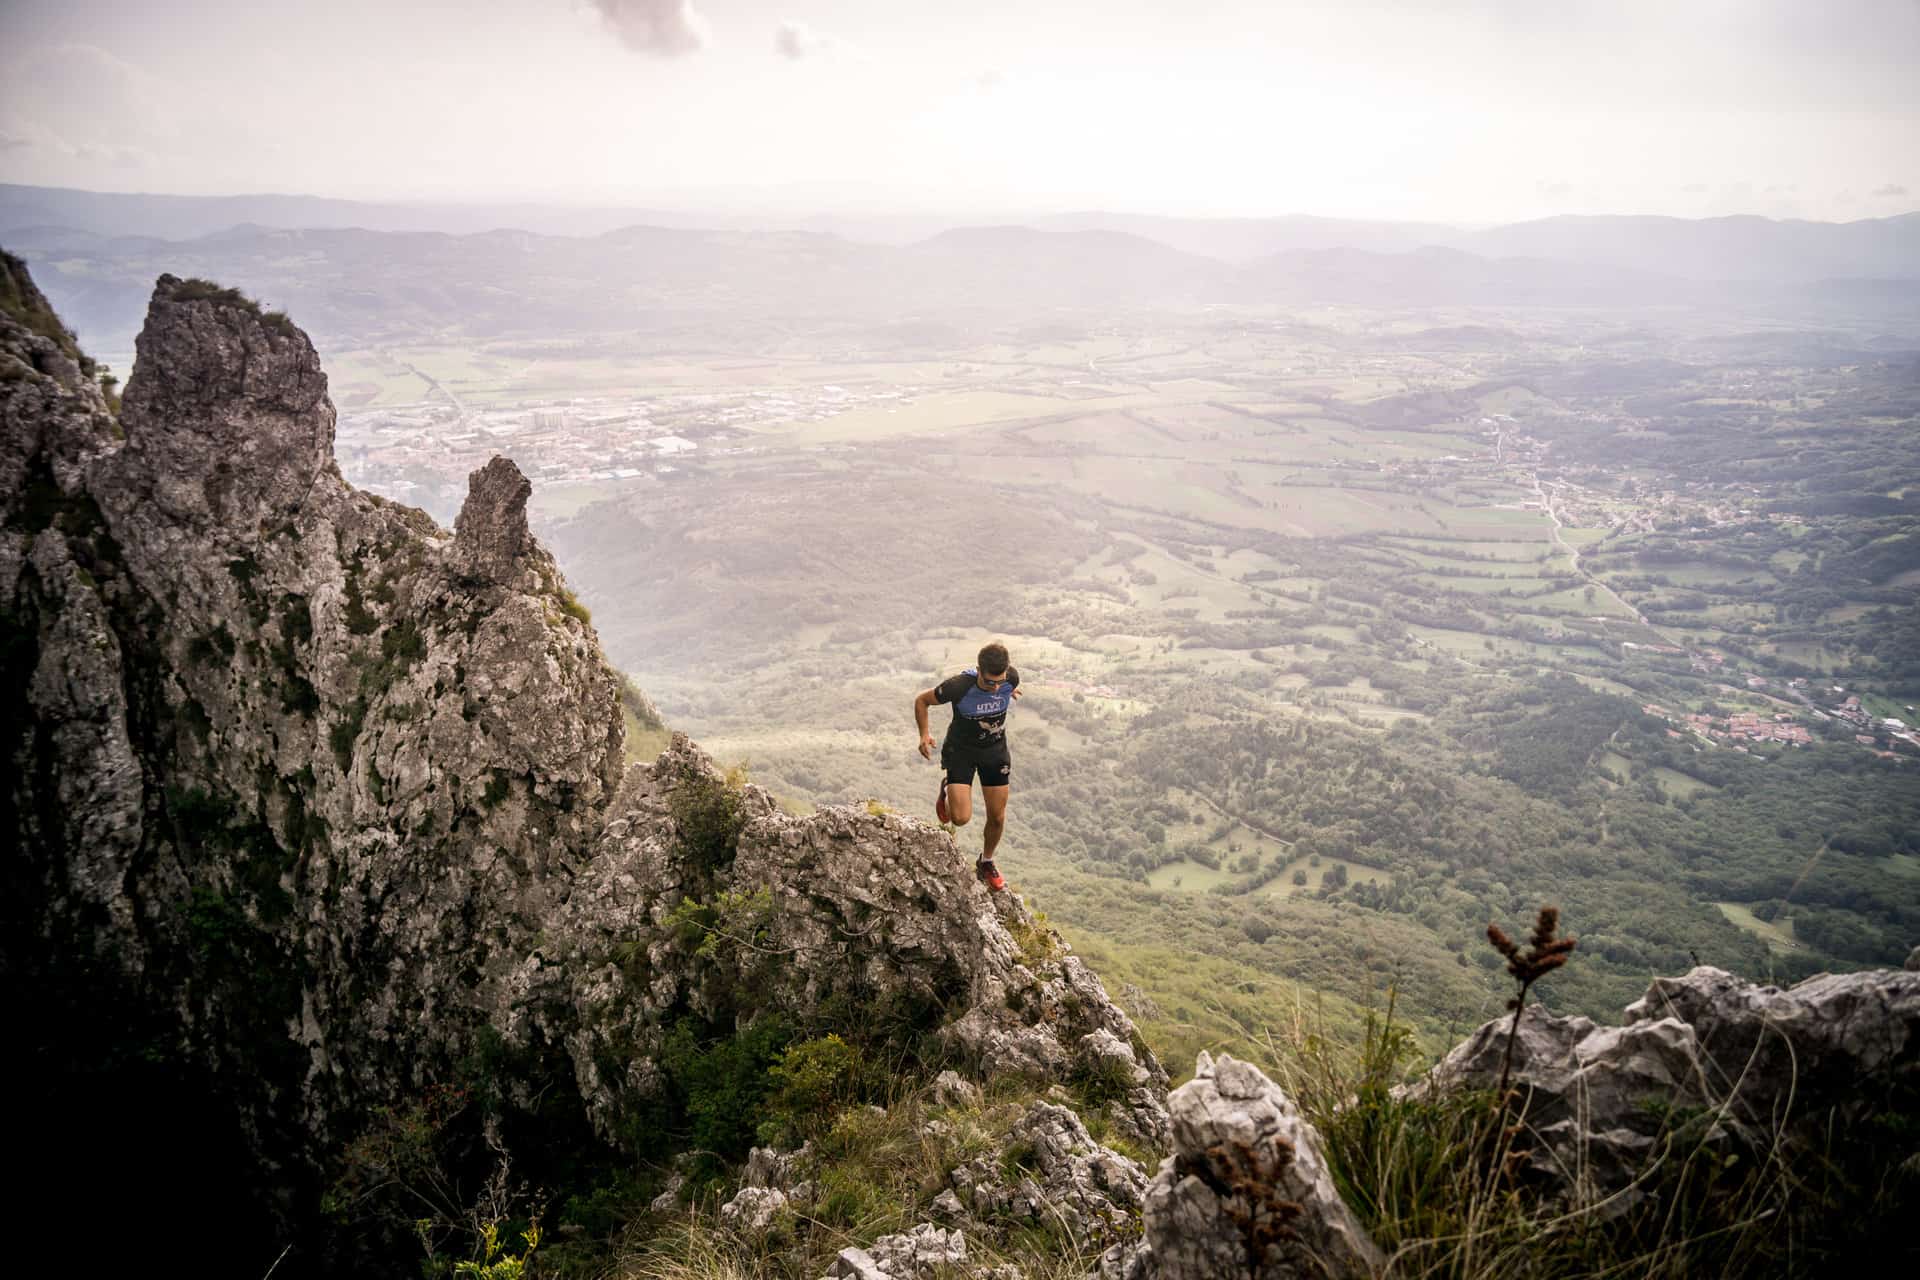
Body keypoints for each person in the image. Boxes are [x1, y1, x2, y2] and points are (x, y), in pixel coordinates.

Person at [914, 642, 1021, 890]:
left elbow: (1008, 684)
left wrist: (1008, 691)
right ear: (978, 671)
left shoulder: (1010, 679)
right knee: (960, 818)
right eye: (989, 683)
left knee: (997, 816)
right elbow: (922, 701)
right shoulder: (959, 686)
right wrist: (924, 735)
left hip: (994, 751)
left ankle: (986, 862)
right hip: (961, 751)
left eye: (1000, 682)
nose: (996, 687)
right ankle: (947, 789)